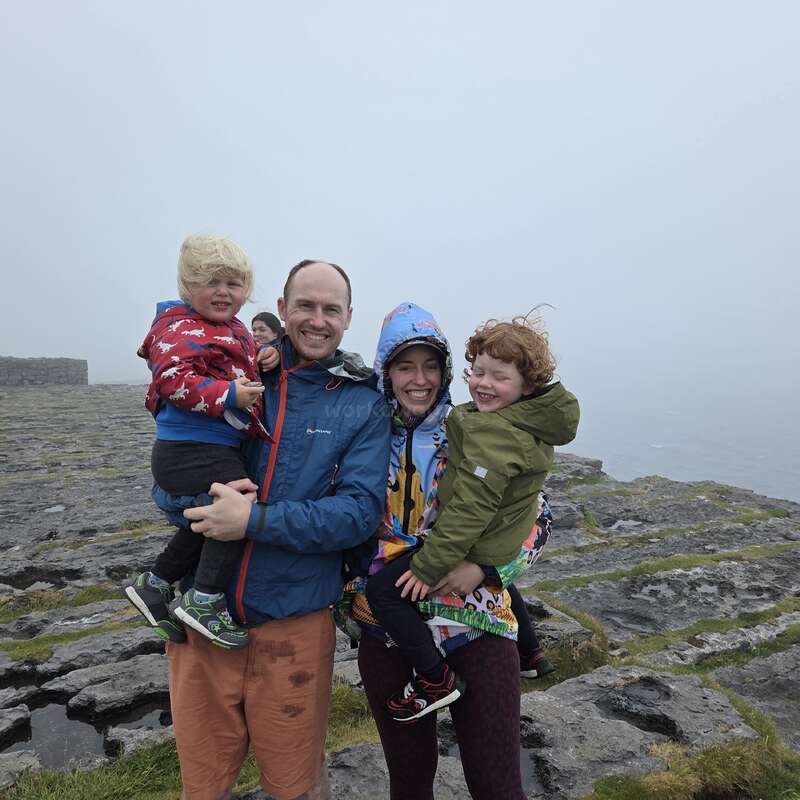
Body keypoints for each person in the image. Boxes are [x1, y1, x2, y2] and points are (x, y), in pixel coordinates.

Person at [169, 260, 391, 800]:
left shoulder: (363, 403)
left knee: (295, 787)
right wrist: (196, 506)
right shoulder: (233, 378)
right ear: (284, 308)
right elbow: (169, 475)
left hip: (294, 625)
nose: (318, 321)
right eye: (306, 306)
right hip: (201, 621)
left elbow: (358, 513)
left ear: (348, 317)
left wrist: (252, 520)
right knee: (201, 787)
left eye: (330, 310)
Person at [339, 302, 578, 799]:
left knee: (497, 785)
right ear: (386, 371)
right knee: (409, 784)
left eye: (431, 366)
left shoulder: (476, 427)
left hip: (479, 626)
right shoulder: (362, 436)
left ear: (446, 371)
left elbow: (541, 517)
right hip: (387, 633)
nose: (419, 379)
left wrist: (488, 567)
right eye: (405, 365)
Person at [126, 234, 270, 649]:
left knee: (210, 517)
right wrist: (228, 395)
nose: (224, 292)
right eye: (212, 281)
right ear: (188, 285)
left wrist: (266, 355)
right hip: (190, 446)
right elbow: (172, 380)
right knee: (240, 505)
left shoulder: (229, 327)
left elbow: (238, 358)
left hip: (205, 446)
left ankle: (154, 584)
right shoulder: (180, 327)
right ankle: (204, 598)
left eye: (234, 284)